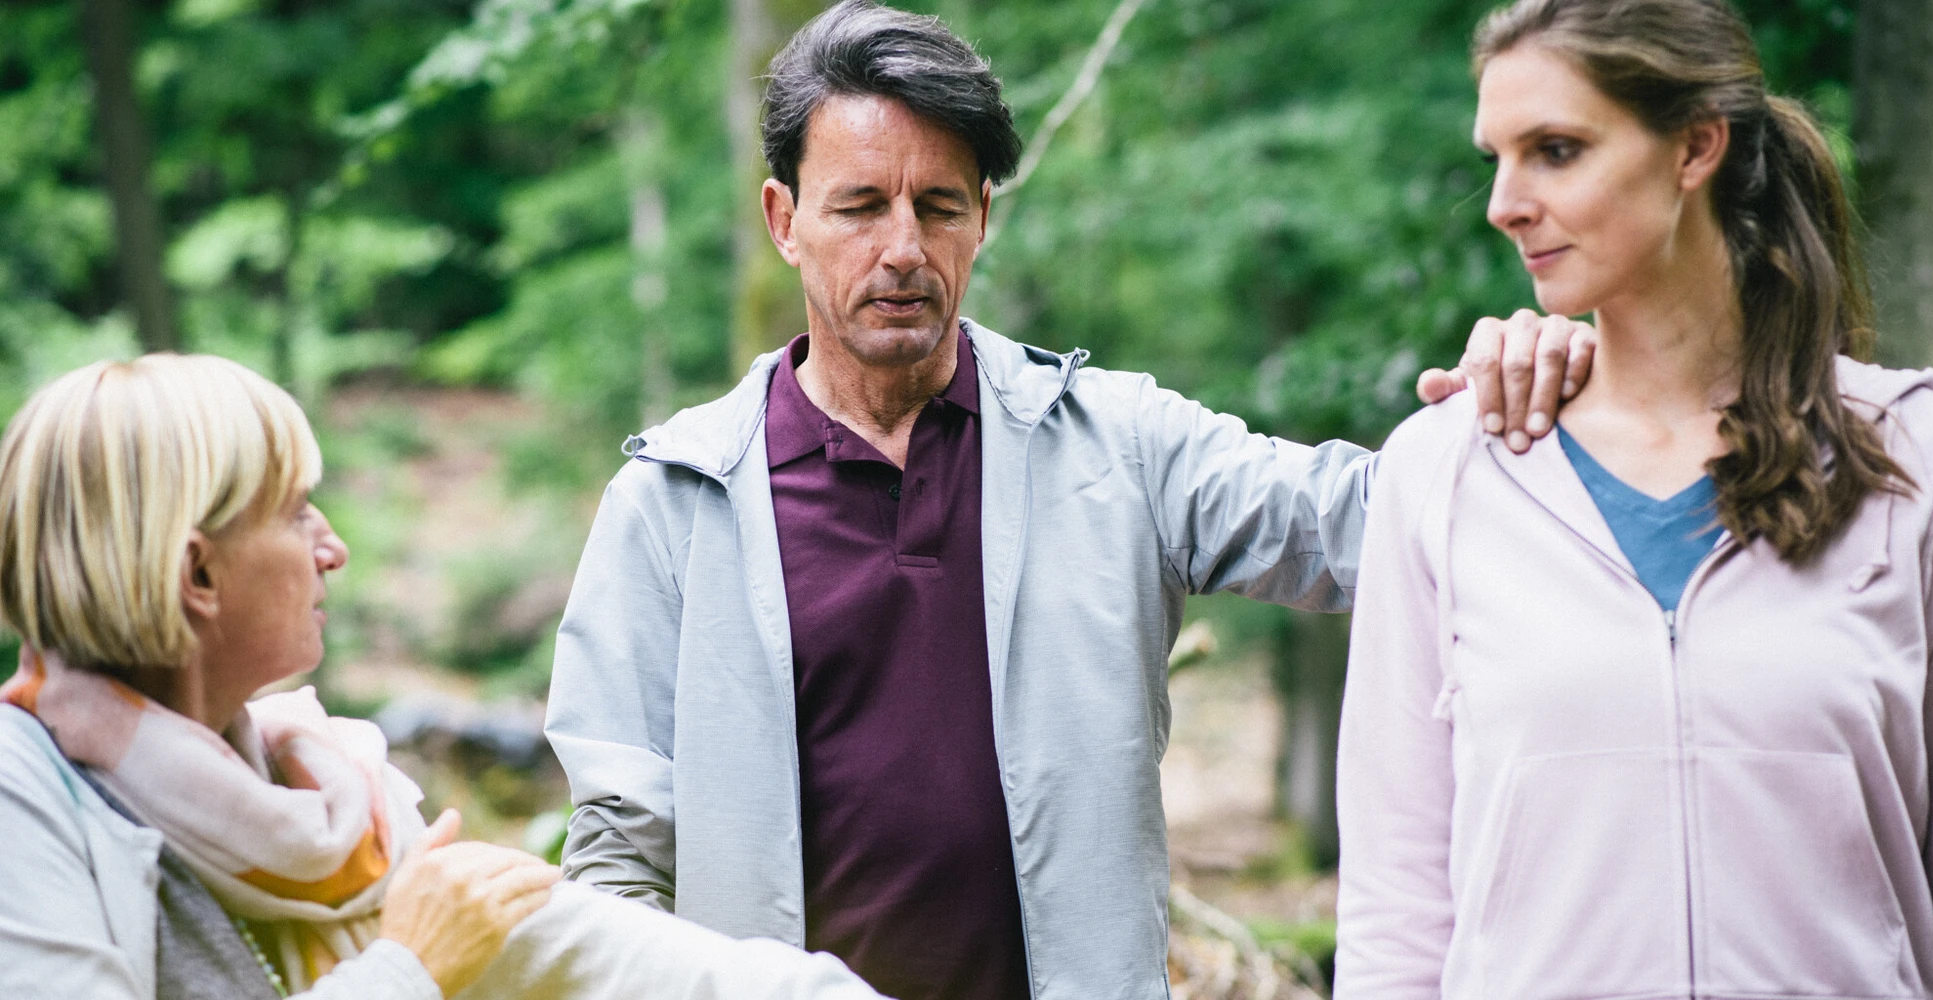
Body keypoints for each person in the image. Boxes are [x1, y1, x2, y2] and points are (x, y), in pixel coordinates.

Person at [544, 3, 1594, 999]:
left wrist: (1543, 398)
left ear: (981, 218)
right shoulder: (673, 505)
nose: (902, 248)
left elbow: (1367, 522)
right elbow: (618, 863)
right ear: (784, 220)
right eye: (859, 207)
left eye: (938, 206)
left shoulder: (1114, 447)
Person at [1333, 0, 1933, 996]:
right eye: (1496, 159)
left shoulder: (1916, 460)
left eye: (1555, 151)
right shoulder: (1444, 472)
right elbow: (1394, 914)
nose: (1504, 203)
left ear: (1694, 146)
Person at [0, 354, 892, 1000]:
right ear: (197, 573)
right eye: (295, 511)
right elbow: (433, 947)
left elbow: (608, 957)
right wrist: (408, 970)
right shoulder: (25, 799)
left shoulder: (323, 787)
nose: (332, 547)